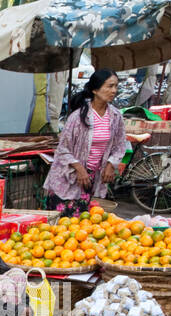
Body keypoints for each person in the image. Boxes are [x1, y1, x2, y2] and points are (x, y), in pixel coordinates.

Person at [43, 70, 129, 211]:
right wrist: (79, 169)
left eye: (116, 86)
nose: (114, 91)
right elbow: (63, 149)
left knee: (85, 225)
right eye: (109, 86)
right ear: (95, 90)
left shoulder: (115, 116)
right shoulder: (77, 117)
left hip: (93, 180)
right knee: (62, 226)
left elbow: (120, 145)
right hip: (69, 177)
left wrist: (111, 164)